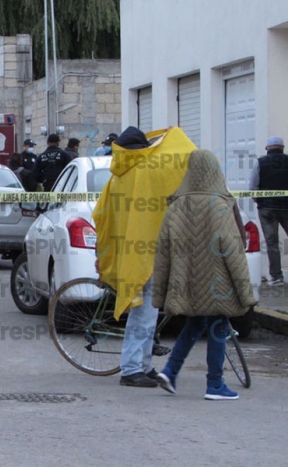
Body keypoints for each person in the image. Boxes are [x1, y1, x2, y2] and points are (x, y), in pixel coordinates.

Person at [93, 126, 195, 388]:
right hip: (149, 254)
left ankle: (145, 365)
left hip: (130, 253)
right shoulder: (149, 171)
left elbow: (102, 217)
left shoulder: (116, 177)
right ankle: (130, 369)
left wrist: (103, 254)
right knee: (145, 315)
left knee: (146, 313)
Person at [154, 149, 257, 400]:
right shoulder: (219, 205)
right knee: (218, 327)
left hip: (187, 279)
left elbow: (162, 251)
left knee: (194, 323)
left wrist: (161, 291)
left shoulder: (176, 205)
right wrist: (245, 291)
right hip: (217, 281)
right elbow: (233, 250)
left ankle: (170, 370)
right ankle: (215, 384)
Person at [249, 136, 288, 286]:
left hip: (267, 209)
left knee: (272, 243)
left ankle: (277, 277)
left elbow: (253, 187)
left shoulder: (260, 162)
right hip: (286, 207)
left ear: (267, 148)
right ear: (282, 148)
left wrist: (260, 201)